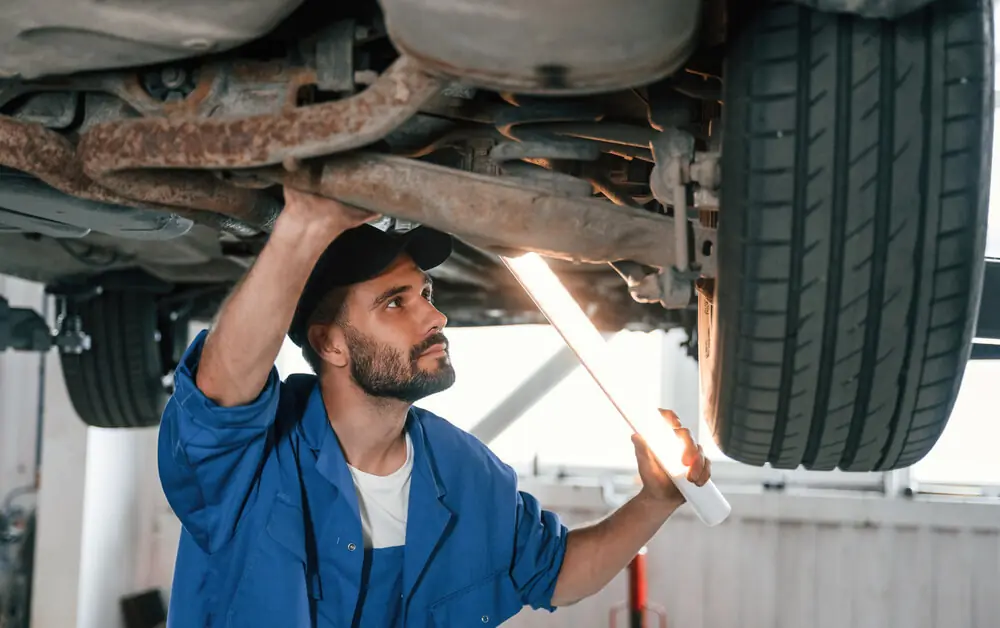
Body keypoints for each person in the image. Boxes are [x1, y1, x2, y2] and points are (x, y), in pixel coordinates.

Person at [157, 188, 712, 628]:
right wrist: (303, 227)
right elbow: (220, 389)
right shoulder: (255, 460)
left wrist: (655, 502)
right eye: (395, 302)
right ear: (330, 344)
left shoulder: (467, 474)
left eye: (425, 294)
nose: (433, 317)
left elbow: (558, 573)